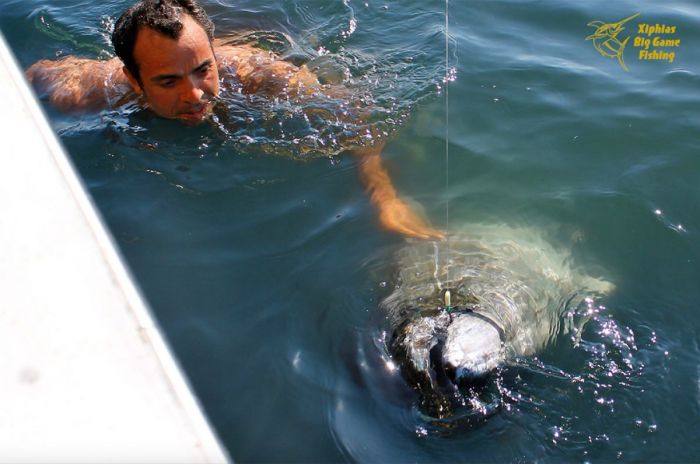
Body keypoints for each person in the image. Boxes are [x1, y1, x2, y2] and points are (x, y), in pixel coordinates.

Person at [26, 0, 443, 239]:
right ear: (134, 80)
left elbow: (354, 112)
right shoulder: (92, 90)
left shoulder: (254, 73)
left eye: (202, 70)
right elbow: (31, 77)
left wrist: (385, 199)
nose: (194, 94)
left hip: (259, 27)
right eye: (168, 81)